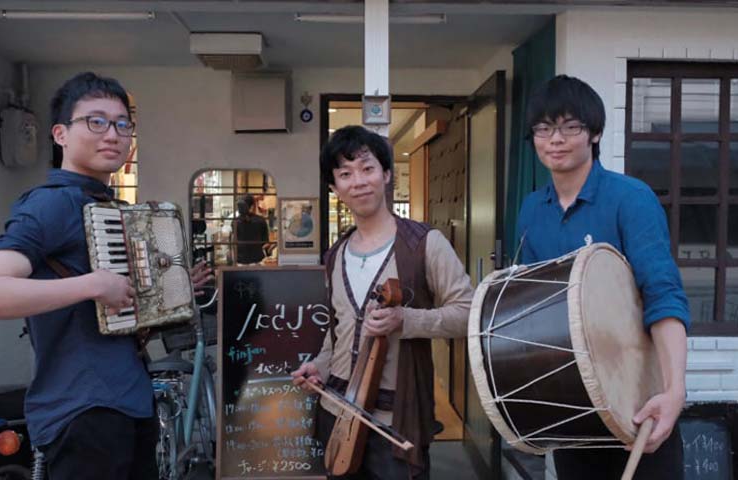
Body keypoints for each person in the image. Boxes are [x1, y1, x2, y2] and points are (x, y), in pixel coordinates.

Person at [0, 72, 212, 480]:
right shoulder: (51, 205)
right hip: (84, 408)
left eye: (122, 124)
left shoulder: (105, 205)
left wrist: (169, 293)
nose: (112, 134)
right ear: (60, 134)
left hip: (128, 399)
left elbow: (116, 311)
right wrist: (91, 285)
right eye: (96, 121)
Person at [515, 75, 689, 479]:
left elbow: (663, 296)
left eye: (570, 127)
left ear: (594, 133)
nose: (555, 139)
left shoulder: (631, 198)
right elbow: (533, 308)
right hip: (572, 408)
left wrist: (674, 391)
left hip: (638, 401)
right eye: (544, 128)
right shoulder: (532, 210)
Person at [291, 125, 473, 479]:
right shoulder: (335, 256)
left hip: (396, 421)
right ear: (334, 188)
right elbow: (337, 331)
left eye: (367, 168)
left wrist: (407, 320)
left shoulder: (424, 244)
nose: (358, 181)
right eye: (345, 174)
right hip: (337, 415)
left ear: (387, 174)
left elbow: (468, 313)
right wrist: (320, 367)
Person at [234, 194, 269, 265]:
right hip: (257, 260)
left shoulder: (235, 222)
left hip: (240, 261)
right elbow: (265, 242)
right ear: (253, 206)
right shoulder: (261, 220)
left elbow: (235, 241)